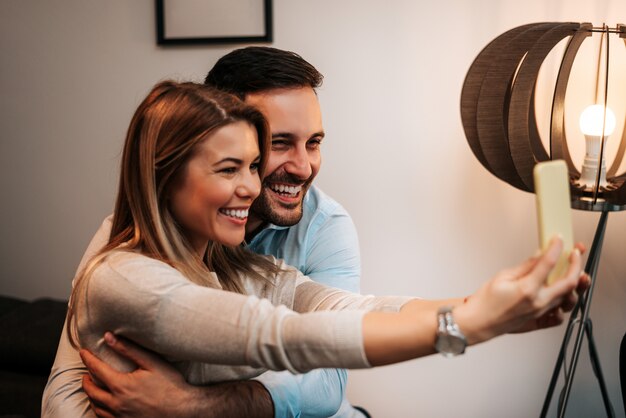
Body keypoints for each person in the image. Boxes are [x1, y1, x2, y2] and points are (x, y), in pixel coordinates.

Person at [43, 80, 586, 418]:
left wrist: (487, 307)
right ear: (163, 177)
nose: (252, 187)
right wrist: (470, 327)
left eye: (252, 165)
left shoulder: (236, 263)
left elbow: (348, 307)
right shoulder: (123, 275)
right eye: (230, 168)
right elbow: (283, 337)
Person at [44, 46, 368, 418]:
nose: (303, 167)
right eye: (279, 143)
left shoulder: (326, 226)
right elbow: (68, 383)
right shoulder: (133, 237)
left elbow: (328, 381)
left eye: (313, 143)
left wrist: (190, 405)